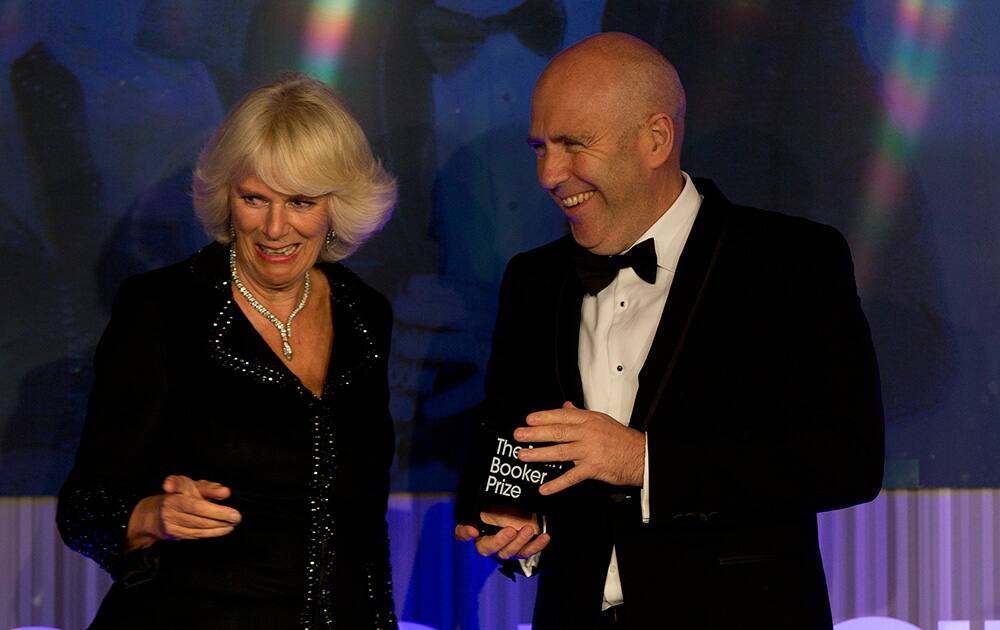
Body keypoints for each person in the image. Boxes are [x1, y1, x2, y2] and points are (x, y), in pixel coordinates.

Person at [454, 32, 884, 629]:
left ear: (655, 139)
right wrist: (517, 519)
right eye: (540, 147)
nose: (550, 173)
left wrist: (645, 462)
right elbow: (507, 438)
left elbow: (846, 460)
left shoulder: (790, 259)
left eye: (574, 144)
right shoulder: (533, 279)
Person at [57, 75, 399, 629]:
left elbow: (364, 524)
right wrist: (153, 515)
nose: (274, 227)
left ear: (338, 206)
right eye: (254, 198)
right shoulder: (161, 308)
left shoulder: (367, 313)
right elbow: (84, 509)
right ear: (226, 196)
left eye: (301, 202)